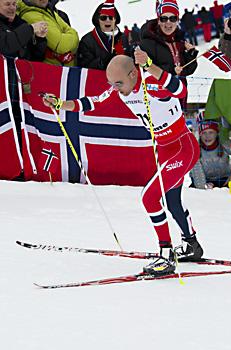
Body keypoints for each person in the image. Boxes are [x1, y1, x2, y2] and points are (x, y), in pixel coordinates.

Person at [42, 48, 204, 276]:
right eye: (111, 83)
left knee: (149, 198)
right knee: (172, 201)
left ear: (133, 75)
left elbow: (180, 89)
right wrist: (61, 104)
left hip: (182, 148)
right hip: (165, 150)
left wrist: (149, 65)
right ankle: (192, 246)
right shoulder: (119, 90)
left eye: (117, 82)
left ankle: (166, 254)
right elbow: (91, 103)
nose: (113, 88)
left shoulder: (151, 84)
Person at [0, 0, 48, 179]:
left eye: (14, 3)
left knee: (21, 127)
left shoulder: (21, 24)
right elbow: (6, 45)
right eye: (7, 4)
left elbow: (36, 57)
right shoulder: (24, 27)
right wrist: (30, 30)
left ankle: (21, 167)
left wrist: (40, 39)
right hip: (2, 89)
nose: (12, 7)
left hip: (19, 89)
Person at [140, 0, 199, 109]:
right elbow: (146, 71)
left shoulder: (180, 41)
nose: (168, 23)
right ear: (158, 21)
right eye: (164, 18)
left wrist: (191, 54)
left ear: (177, 21)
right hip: (159, 97)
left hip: (180, 91)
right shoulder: (147, 42)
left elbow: (188, 70)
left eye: (173, 18)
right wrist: (171, 71)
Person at [17, 0, 79, 66]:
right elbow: (61, 45)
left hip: (63, 69)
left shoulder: (47, 10)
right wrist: (72, 35)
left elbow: (75, 38)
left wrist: (72, 36)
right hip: (50, 71)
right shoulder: (30, 15)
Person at [77, 0, 130, 70]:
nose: (107, 20)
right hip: (98, 79)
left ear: (115, 20)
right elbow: (84, 67)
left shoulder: (123, 37)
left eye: (111, 18)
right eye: (103, 18)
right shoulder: (87, 40)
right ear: (97, 20)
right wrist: (104, 61)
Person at [190, 121, 231, 189]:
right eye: (204, 133)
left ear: (216, 134)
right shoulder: (195, 149)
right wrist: (204, 186)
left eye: (211, 132)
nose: (207, 136)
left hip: (224, 179)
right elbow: (197, 173)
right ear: (200, 134)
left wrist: (229, 180)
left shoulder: (224, 145)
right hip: (201, 180)